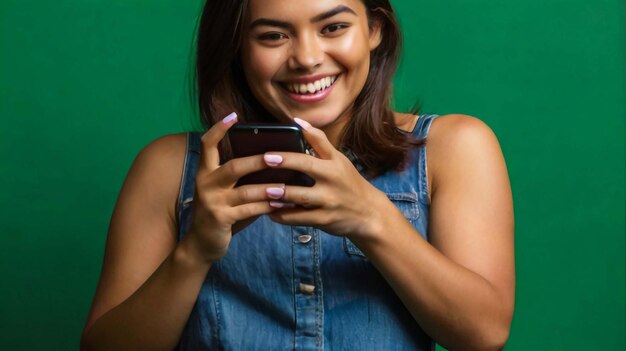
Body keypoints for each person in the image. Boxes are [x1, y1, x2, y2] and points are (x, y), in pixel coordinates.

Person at [80, 0, 515, 350]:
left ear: (374, 30)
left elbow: (483, 334)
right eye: (273, 35)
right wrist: (195, 252)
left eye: (333, 28)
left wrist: (372, 219)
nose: (306, 58)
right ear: (236, 46)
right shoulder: (168, 166)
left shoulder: (452, 148)